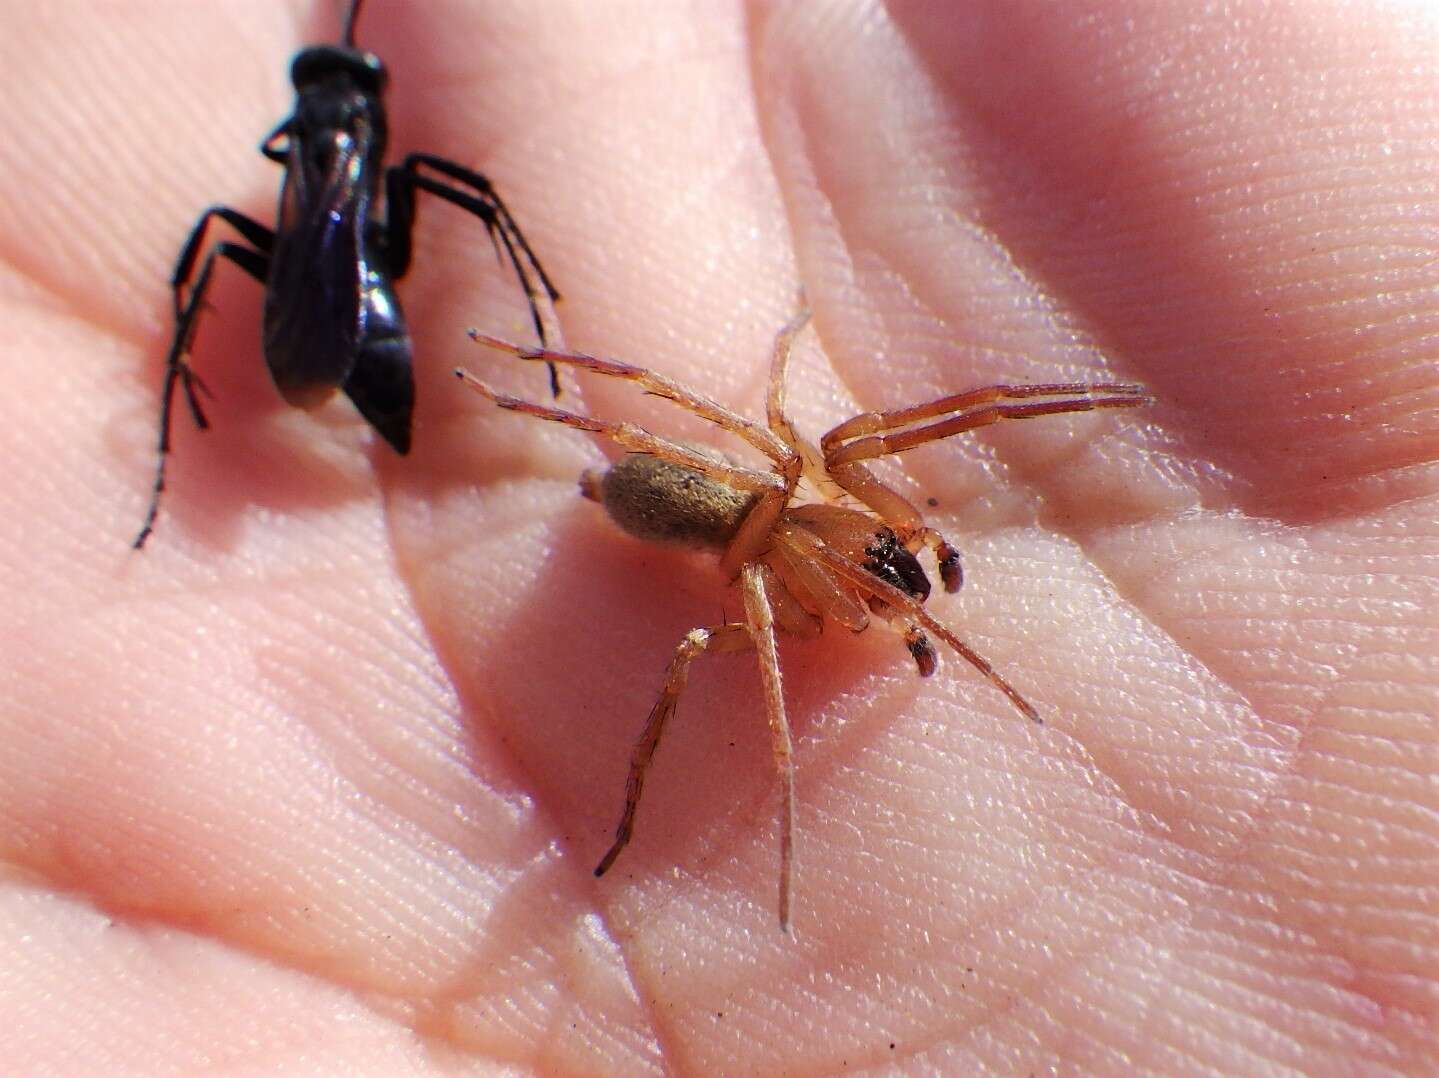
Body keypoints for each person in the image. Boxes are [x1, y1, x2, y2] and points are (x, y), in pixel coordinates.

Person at [2, 2, 1433, 1072]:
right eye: (905, 577)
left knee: (798, 492)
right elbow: (732, 523)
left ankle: (537, 401)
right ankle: (535, 406)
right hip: (677, 505)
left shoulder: (838, 500)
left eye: (904, 577)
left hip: (704, 493)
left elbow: (835, 479)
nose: (899, 568)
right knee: (732, 603)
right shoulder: (780, 564)